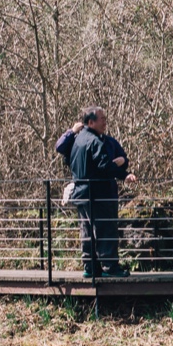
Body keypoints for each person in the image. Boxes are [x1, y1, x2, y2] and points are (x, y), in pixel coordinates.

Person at [56, 107, 133, 278]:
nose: (105, 122)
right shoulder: (95, 142)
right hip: (100, 194)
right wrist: (121, 168)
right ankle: (109, 267)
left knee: (87, 231)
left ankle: (90, 267)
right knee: (105, 229)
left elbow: (66, 157)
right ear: (91, 122)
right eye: (102, 119)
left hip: (81, 193)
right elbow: (104, 166)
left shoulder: (77, 141)